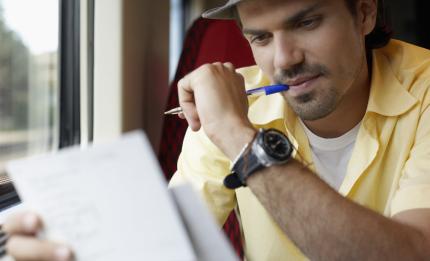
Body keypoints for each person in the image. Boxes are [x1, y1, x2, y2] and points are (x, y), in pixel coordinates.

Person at [4, 0, 430, 260]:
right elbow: (162, 248)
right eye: (260, 37)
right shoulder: (231, 105)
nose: (284, 59)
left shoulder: (426, 91)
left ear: (364, 12)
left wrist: (238, 135)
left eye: (307, 22)